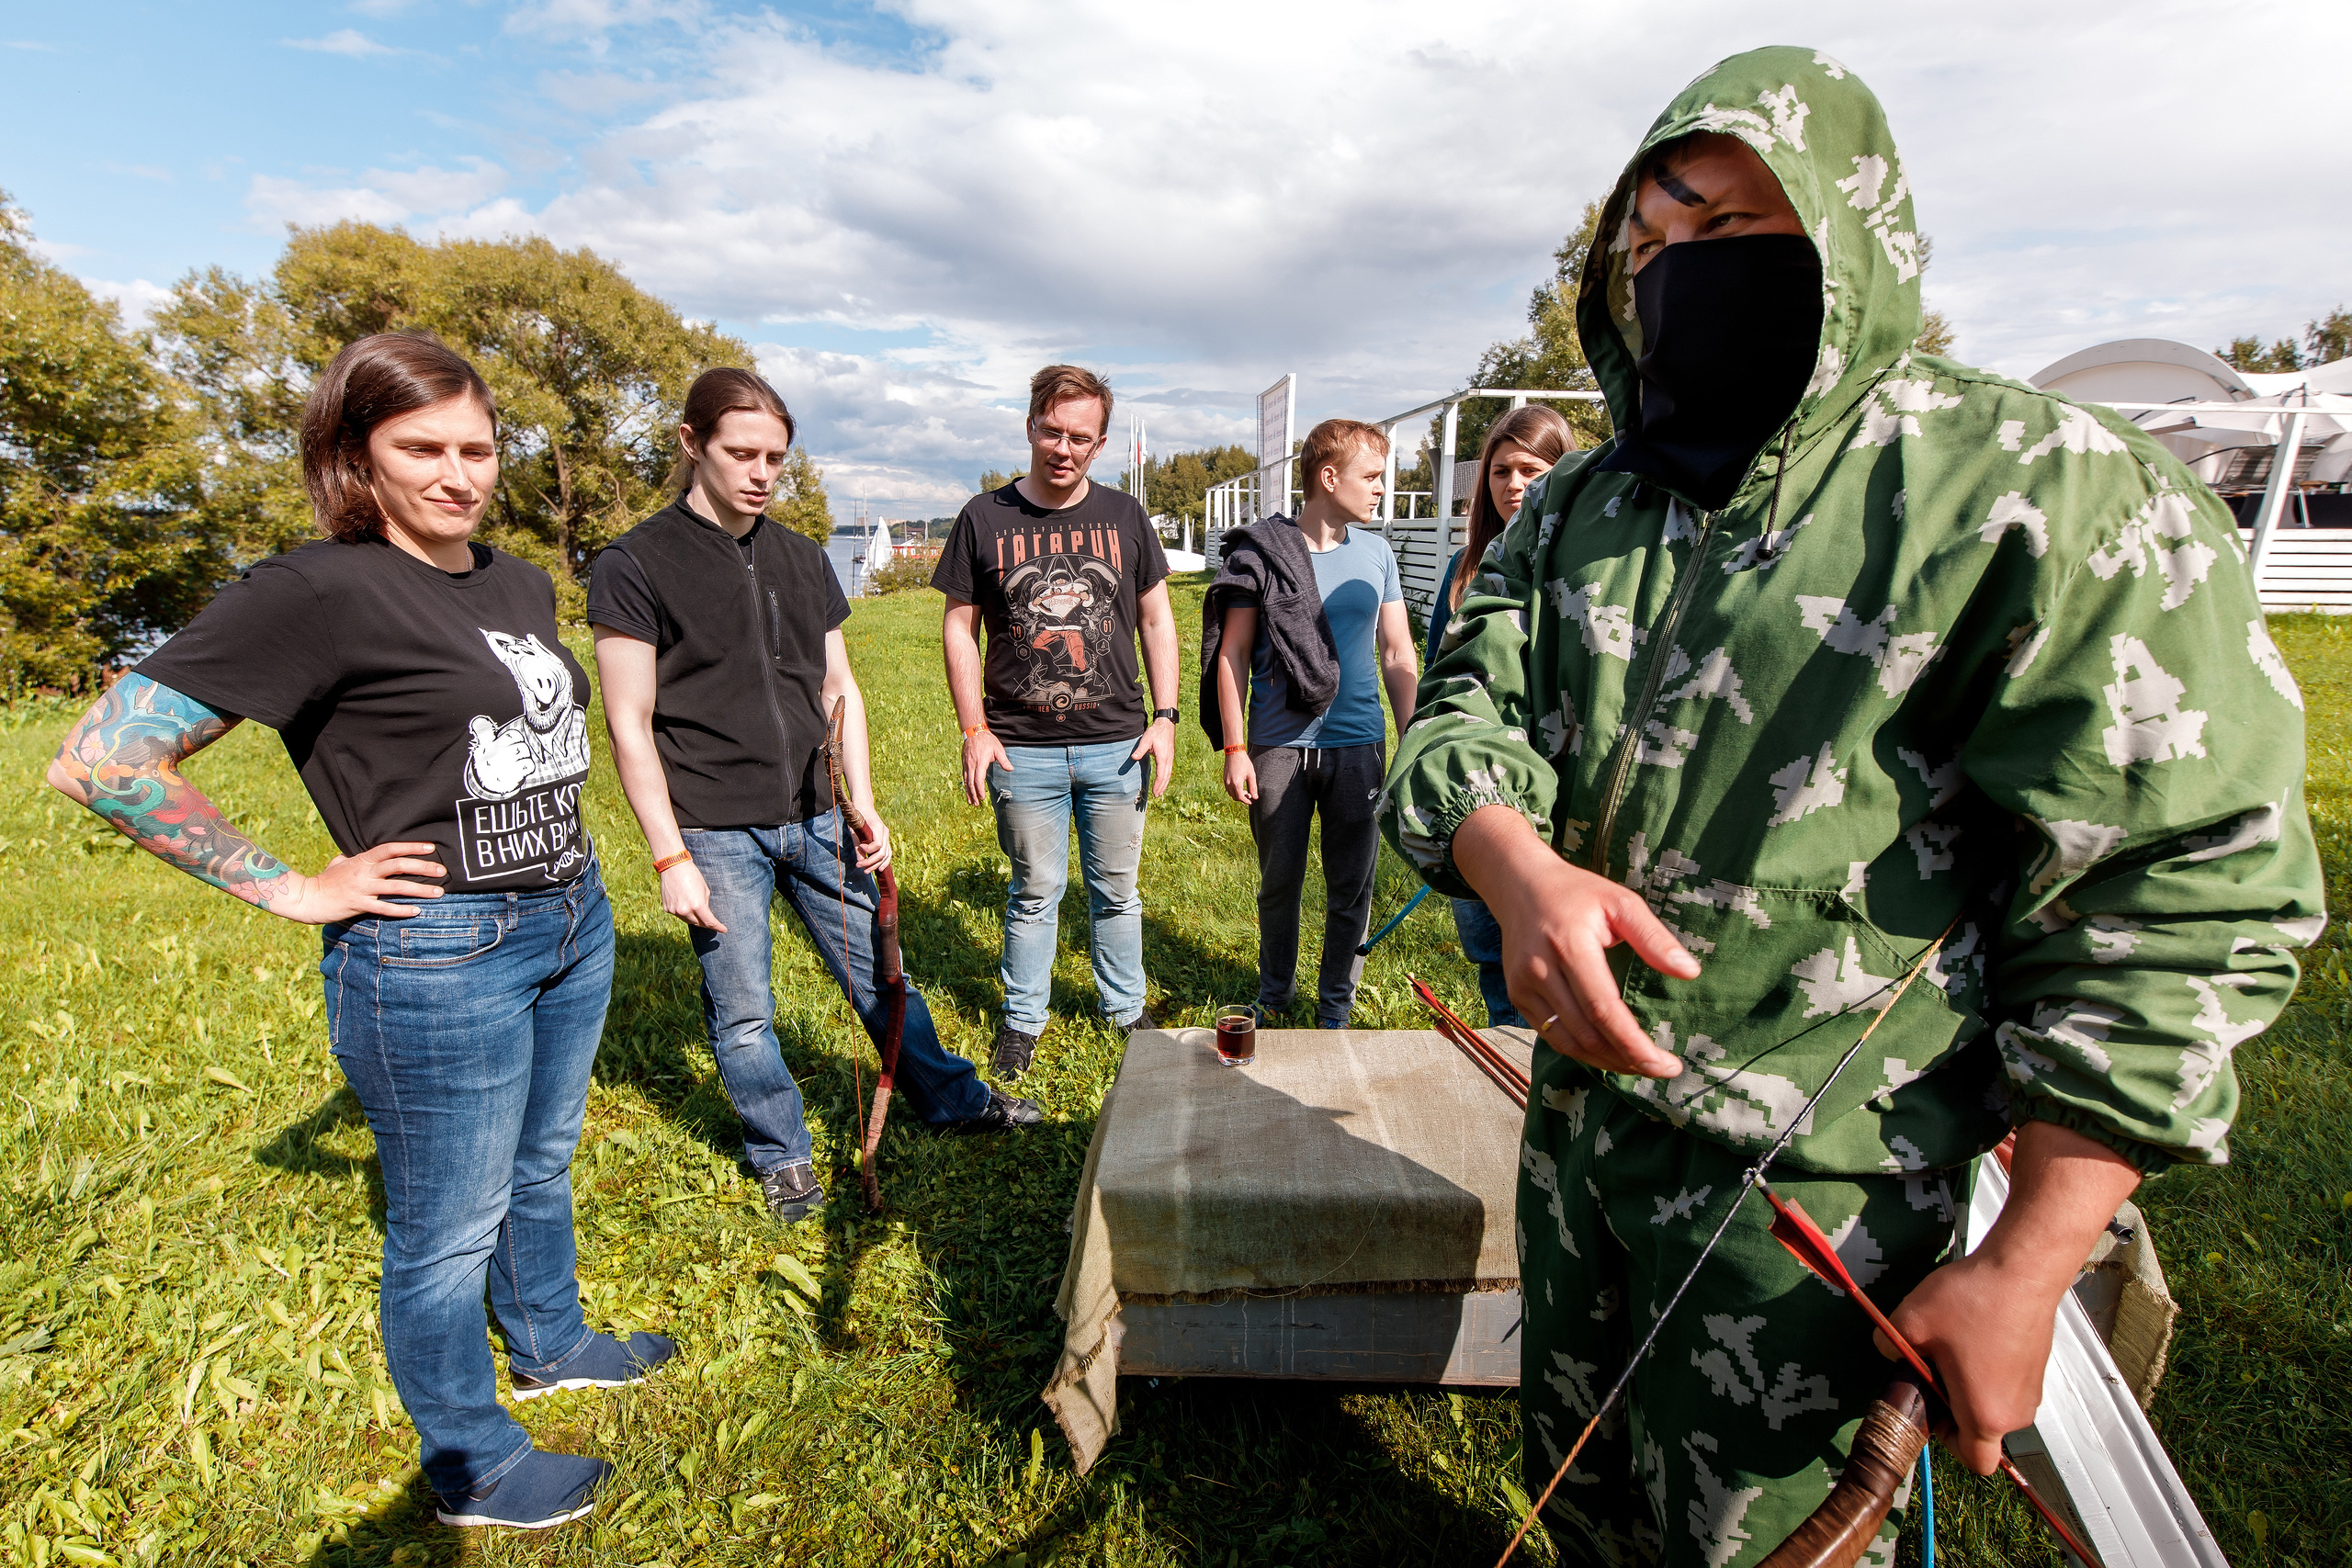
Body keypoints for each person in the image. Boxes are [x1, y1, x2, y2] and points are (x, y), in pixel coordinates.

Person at [1380, 47, 2321, 1567]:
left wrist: (2030, 1260)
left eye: (1730, 232)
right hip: (1576, 1159)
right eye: (1648, 248)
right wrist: (1514, 866)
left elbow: (2177, 878)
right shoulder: (1584, 504)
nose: (1679, 274)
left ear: (1849, 231)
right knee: (1585, 1517)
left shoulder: (2034, 488)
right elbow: (1466, 711)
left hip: (1816, 1212)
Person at [50, 332, 669, 1531]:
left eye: (478, 447)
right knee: (444, 1230)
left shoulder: (515, 578)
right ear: (355, 458)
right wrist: (290, 886)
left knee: (540, 1163)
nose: (458, 473)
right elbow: (101, 756)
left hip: (567, 915)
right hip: (438, 950)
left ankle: (550, 1337)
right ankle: (473, 1460)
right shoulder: (312, 590)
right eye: (421, 448)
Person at [590, 369, 1038, 1224]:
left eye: (776, 458)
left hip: (821, 811)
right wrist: (670, 854)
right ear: (692, 444)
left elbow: (841, 687)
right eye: (741, 453)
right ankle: (783, 1154)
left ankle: (951, 1098)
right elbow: (628, 722)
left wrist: (862, 800)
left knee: (884, 978)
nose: (761, 473)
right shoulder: (634, 564)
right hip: (715, 831)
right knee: (745, 1010)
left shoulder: (800, 556)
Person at [933, 365, 1178, 1079]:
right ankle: (1022, 1019)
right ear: (1030, 425)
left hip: (1118, 743)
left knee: (1117, 889)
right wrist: (974, 728)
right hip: (1021, 749)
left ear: (1099, 444)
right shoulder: (985, 517)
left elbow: (1158, 618)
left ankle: (1125, 1009)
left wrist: (1164, 717)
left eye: (1079, 437)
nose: (1062, 448)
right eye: (1050, 431)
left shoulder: (1126, 516)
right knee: (1034, 891)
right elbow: (958, 628)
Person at [1202, 419, 1418, 1028]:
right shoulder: (1263, 553)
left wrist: (1416, 736)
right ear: (1329, 477)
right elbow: (1232, 654)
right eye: (1371, 476)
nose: (1381, 488)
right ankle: (1275, 993)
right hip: (1278, 747)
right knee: (1279, 882)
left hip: (1358, 746)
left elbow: (1398, 653)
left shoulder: (1377, 554)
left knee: (1352, 885)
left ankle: (1335, 1008)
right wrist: (1236, 747)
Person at [1425, 404, 1577, 1030]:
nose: (1514, 485)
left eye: (1532, 470)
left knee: (1558, 973)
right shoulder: (1463, 577)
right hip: (1481, 804)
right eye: (1500, 471)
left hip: (1560, 810)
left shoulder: (1584, 572)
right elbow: (1438, 688)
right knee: (1494, 960)